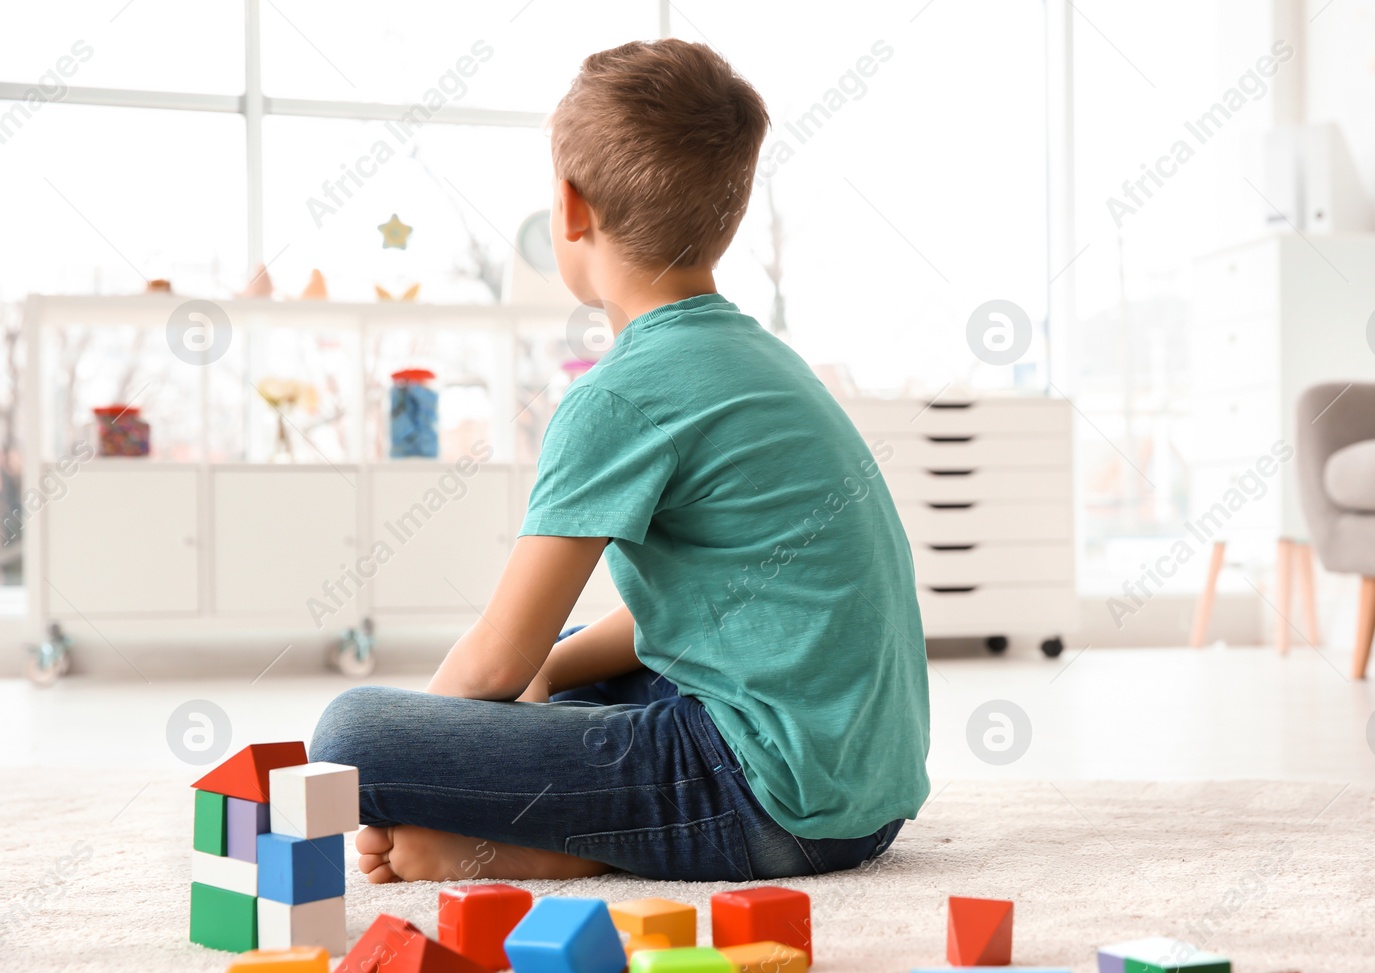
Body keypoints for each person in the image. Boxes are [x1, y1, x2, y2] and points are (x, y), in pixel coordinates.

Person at [310, 38, 930, 883]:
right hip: (866, 800)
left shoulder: (617, 397)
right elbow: (703, 616)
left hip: (766, 800)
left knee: (353, 736)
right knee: (562, 656)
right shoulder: (764, 361)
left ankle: (531, 846)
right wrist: (551, 671)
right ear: (729, 210)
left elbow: (497, 657)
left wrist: (429, 769)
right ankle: (549, 829)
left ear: (569, 209)